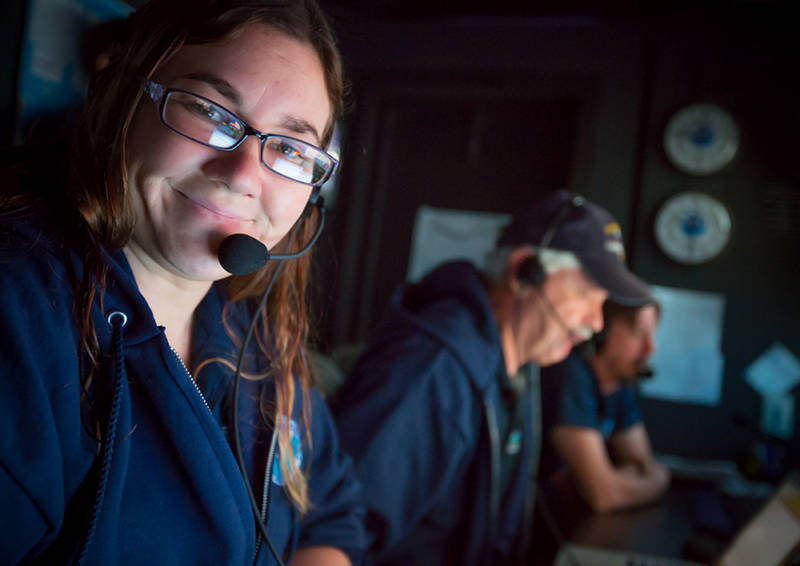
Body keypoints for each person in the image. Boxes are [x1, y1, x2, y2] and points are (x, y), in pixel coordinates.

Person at [0, 1, 367, 565]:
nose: (245, 175)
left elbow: (329, 517)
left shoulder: (254, 337)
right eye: (212, 112)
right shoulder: (20, 310)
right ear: (123, 103)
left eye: (291, 149)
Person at [330, 190, 652, 566]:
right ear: (524, 273)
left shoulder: (516, 368)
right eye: (588, 296)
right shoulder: (434, 369)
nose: (596, 323)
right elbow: (334, 531)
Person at [539, 299, 671, 513]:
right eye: (639, 333)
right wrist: (661, 481)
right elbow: (604, 494)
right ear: (602, 330)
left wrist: (622, 480)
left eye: (652, 335)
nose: (650, 348)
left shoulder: (621, 383)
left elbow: (642, 465)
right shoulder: (571, 375)